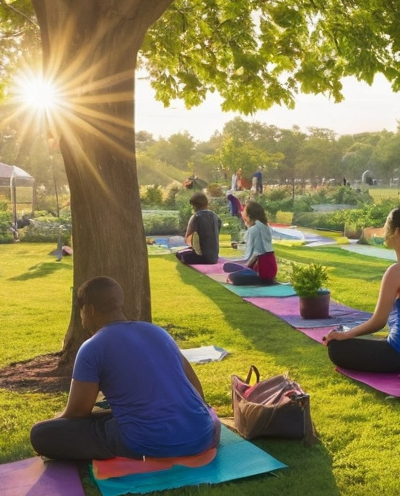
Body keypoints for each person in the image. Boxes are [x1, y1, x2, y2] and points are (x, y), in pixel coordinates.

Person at [29, 277, 220, 461]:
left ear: (90, 310)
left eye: (81, 311)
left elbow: (78, 413)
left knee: (41, 433)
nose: (81, 317)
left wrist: (58, 419)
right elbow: (197, 391)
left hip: (147, 442)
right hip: (203, 434)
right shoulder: (159, 333)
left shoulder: (92, 346)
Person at [324, 208, 400, 372]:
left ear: (396, 231)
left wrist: (346, 335)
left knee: (336, 347)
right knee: (363, 340)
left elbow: (378, 322)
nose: (383, 230)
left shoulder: (397, 271)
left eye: (386, 225)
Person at [225, 201, 277, 286]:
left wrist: (241, 266)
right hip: (271, 269)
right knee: (236, 272)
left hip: (261, 271)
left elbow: (250, 255)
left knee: (233, 277)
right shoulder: (265, 227)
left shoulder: (253, 230)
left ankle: (258, 280)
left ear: (249, 216)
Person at [177, 192, 221, 265]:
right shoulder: (216, 216)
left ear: (193, 205)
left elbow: (187, 240)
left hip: (202, 258)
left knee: (179, 254)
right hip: (214, 257)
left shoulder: (196, 217)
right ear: (206, 203)